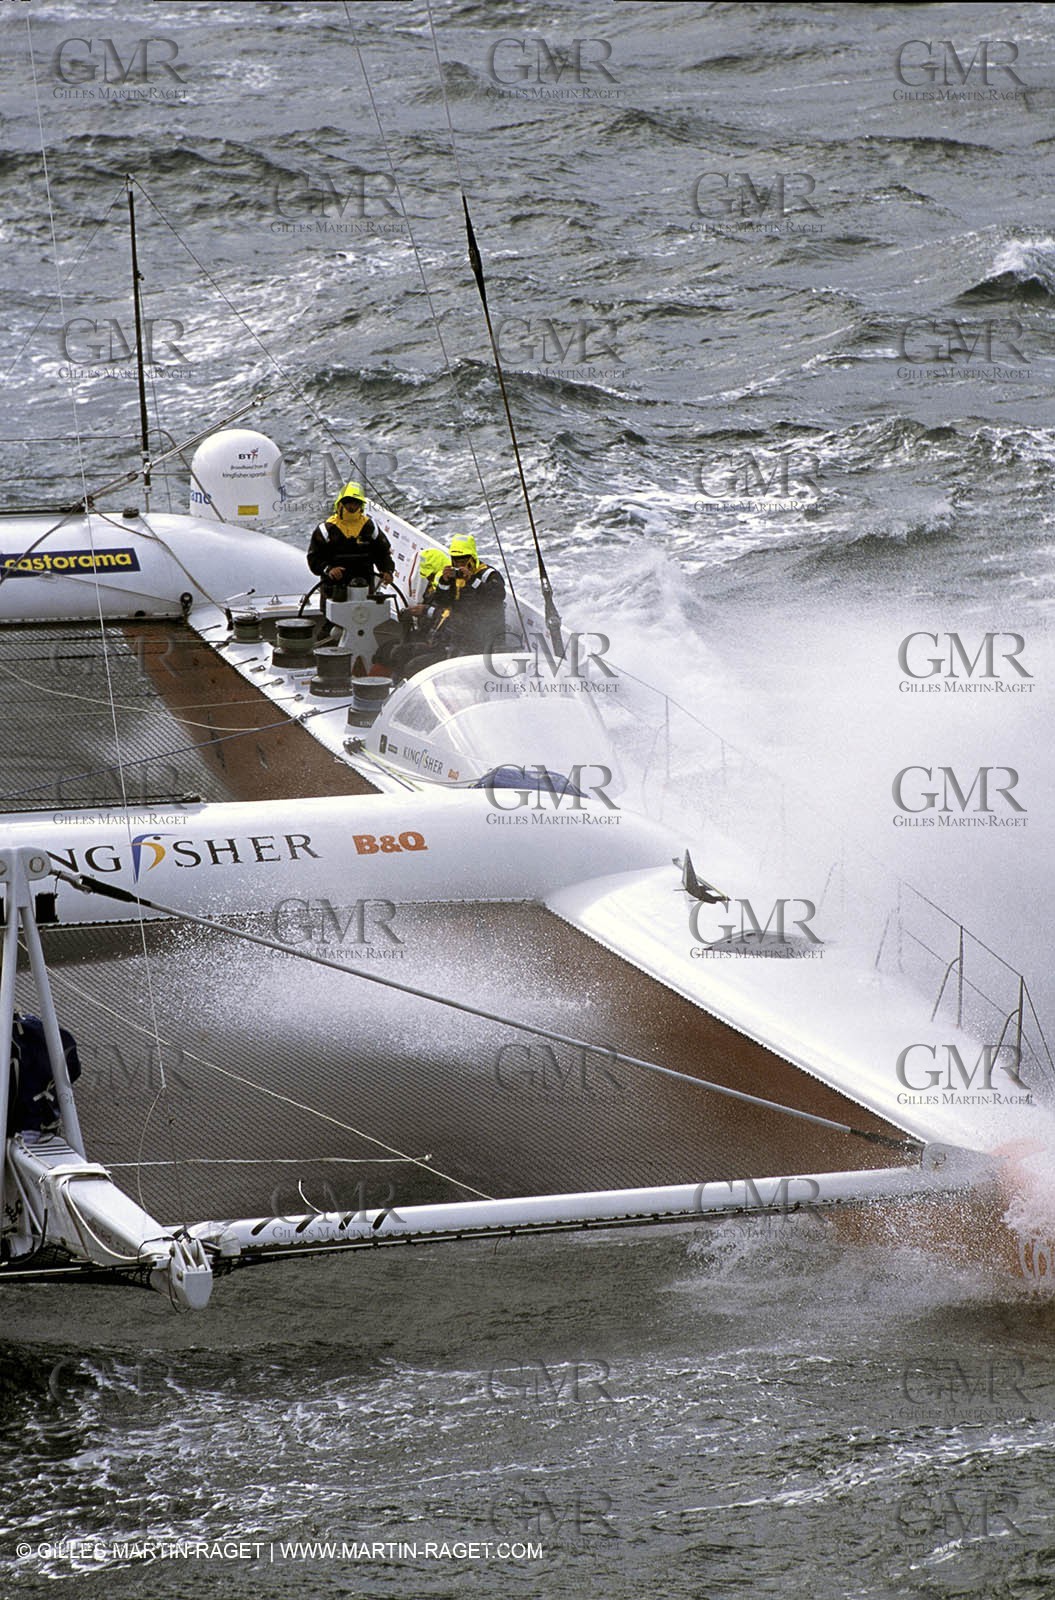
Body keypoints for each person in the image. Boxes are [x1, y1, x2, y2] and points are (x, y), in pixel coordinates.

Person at [307, 482, 394, 600]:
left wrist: (387, 571)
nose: (352, 507)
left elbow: (383, 553)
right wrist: (329, 569)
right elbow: (314, 558)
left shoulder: (370, 527)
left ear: (361, 505)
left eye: (356, 503)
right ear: (340, 504)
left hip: (365, 588)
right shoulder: (325, 530)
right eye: (348, 503)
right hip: (335, 590)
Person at [428, 536, 507, 657]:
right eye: (456, 561)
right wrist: (444, 582)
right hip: (459, 637)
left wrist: (472, 580)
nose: (460, 565)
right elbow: (441, 602)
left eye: (463, 561)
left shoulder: (488, 575)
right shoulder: (452, 578)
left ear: (472, 558)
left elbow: (498, 596)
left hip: (485, 639)